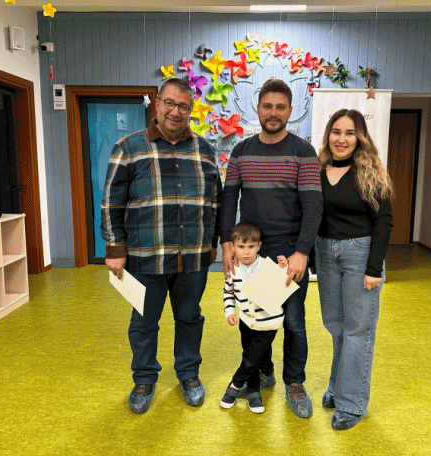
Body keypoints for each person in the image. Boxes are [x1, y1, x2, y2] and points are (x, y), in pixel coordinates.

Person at [101, 78, 222, 414]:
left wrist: (212, 244)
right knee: (143, 322)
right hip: (145, 256)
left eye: (183, 106)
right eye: (169, 103)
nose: (175, 111)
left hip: (193, 256)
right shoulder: (128, 147)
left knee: (189, 317)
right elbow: (111, 202)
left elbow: (215, 201)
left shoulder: (205, 150)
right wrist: (115, 248)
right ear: (157, 103)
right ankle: (144, 377)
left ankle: (188, 374)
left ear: (191, 110)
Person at [221, 78, 323, 418]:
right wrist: (227, 245)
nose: (273, 112)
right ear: (258, 108)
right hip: (252, 251)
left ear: (290, 111)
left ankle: (295, 383)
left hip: (288, 252)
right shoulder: (241, 151)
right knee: (253, 320)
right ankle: (263, 371)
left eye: (280, 107)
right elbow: (228, 200)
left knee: (293, 322)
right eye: (268, 106)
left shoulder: (303, 152)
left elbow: (313, 206)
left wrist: (302, 252)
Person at [314, 109, 393, 430]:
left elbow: (384, 221)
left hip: (360, 255)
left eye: (349, 133)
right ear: (328, 135)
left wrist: (374, 268)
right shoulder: (318, 169)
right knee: (335, 326)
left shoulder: (370, 172)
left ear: (359, 137)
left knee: (358, 330)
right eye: (336, 131)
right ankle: (337, 387)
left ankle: (352, 403)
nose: (342, 139)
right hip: (325, 253)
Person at [220, 222, 288, 414]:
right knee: (251, 356)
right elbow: (228, 292)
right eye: (241, 247)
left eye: (251, 246)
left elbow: (281, 289)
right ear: (232, 247)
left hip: (268, 324)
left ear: (259, 246)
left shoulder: (267, 265)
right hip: (245, 322)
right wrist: (229, 311)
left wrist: (283, 270)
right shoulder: (233, 270)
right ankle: (253, 392)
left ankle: (234, 385)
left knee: (250, 360)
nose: (246, 252)